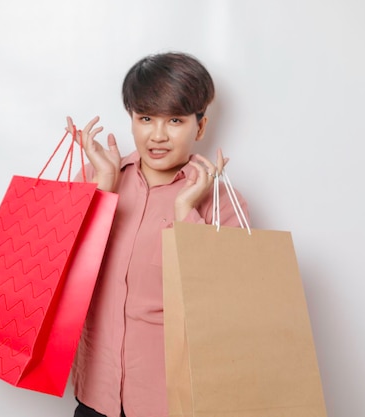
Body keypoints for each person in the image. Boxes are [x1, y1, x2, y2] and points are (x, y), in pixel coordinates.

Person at [66, 52, 249, 417]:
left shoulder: (220, 202)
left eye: (176, 120)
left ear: (199, 126)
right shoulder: (99, 176)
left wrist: (185, 214)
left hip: (173, 403)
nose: (158, 135)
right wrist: (102, 190)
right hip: (95, 395)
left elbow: (226, 309)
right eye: (146, 118)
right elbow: (61, 276)